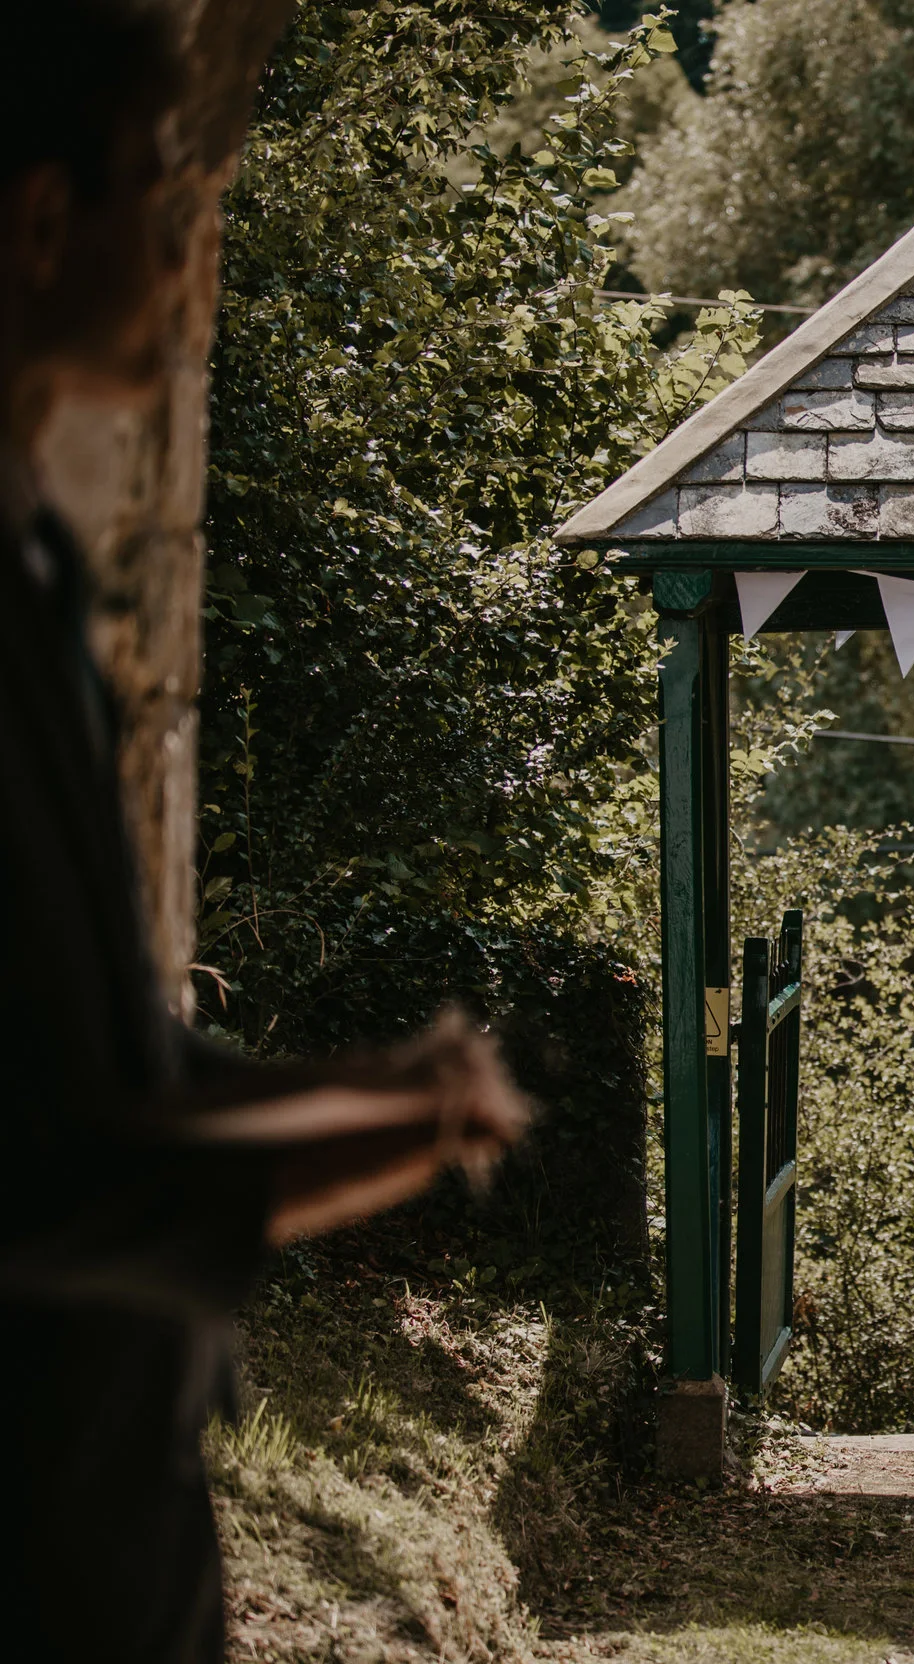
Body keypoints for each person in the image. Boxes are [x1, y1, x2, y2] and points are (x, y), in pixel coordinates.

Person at [2, 11, 529, 1660]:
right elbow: (33, 1167)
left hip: (109, 1522)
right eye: (161, 197)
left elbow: (112, 1066)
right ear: (35, 226)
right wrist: (365, 1148)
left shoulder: (35, 569)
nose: (189, 252)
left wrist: (374, 1080)